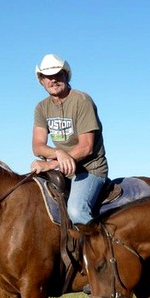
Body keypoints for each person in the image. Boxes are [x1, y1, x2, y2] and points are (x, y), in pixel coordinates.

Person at [31, 53, 108, 224]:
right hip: (63, 167)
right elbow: (37, 146)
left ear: (65, 75)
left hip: (89, 169)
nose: (53, 80)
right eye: (47, 76)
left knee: (75, 211)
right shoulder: (41, 108)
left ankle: (96, 248)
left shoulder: (82, 101)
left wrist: (52, 163)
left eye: (57, 74)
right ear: (41, 80)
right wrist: (59, 153)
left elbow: (86, 147)